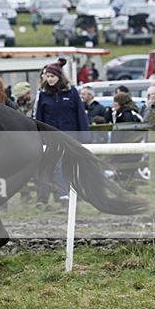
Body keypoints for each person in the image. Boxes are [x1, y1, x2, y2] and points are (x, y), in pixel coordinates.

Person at [34, 58, 90, 207]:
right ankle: (63, 196)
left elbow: (80, 115)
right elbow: (40, 117)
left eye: (52, 76)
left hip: (70, 135)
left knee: (70, 167)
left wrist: (84, 136)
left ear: (59, 77)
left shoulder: (72, 92)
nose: (49, 79)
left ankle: (72, 195)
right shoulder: (43, 94)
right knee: (56, 167)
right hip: (51, 138)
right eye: (47, 76)